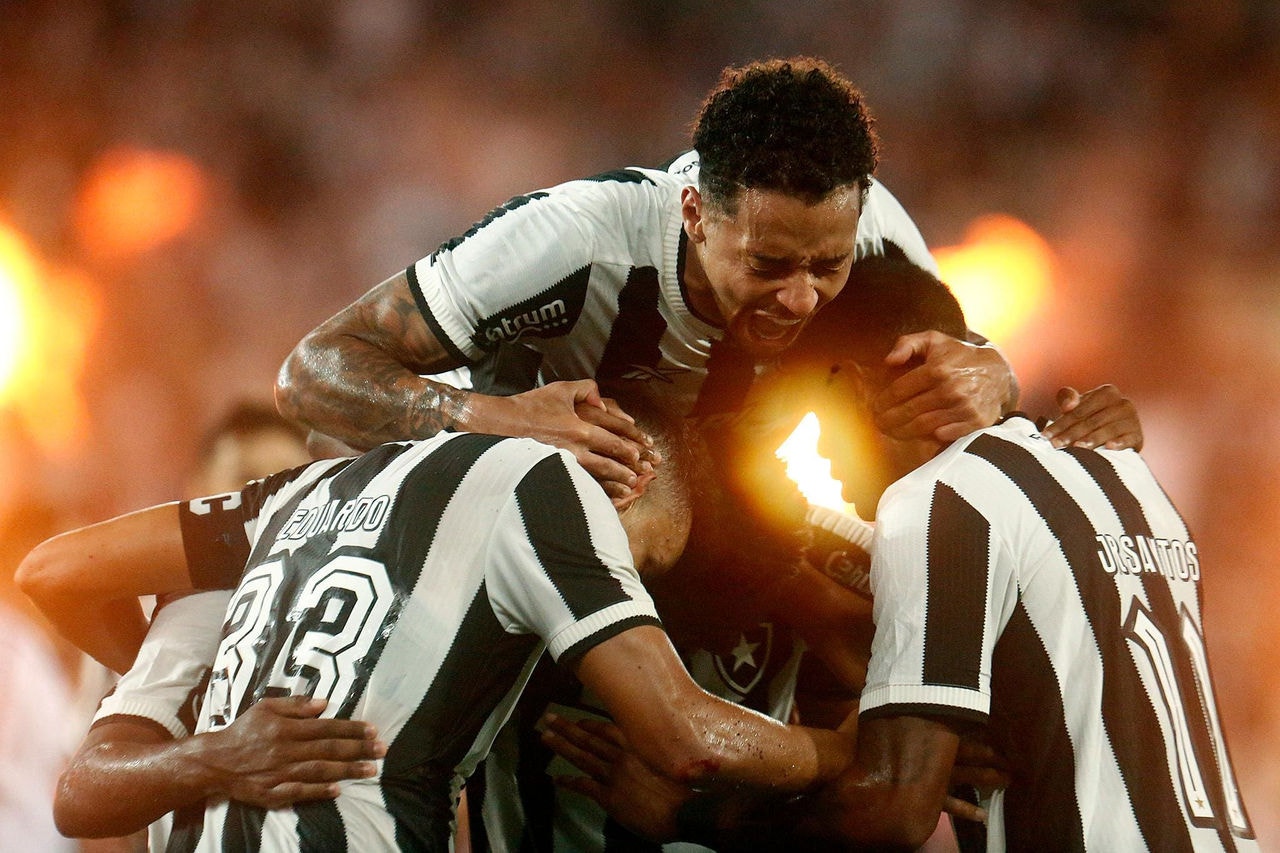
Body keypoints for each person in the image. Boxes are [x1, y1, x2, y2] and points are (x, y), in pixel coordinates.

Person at [543, 256, 1258, 851]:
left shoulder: (937, 501)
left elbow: (890, 810)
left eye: (811, 420)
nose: (815, 454)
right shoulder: (1124, 468)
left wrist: (690, 815)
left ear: (853, 387)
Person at [17, 390, 859, 851]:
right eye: (637, 568)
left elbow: (53, 576)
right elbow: (689, 734)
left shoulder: (289, 506)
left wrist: (205, 736)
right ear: (622, 481)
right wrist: (847, 751)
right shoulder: (547, 490)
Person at [274, 56, 1047, 500]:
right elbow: (312, 373)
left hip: (740, 537)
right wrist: (494, 418)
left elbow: (966, 373)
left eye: (827, 266)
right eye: (767, 265)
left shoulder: (874, 227)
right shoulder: (573, 241)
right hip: (533, 532)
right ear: (695, 212)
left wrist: (999, 377)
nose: (803, 296)